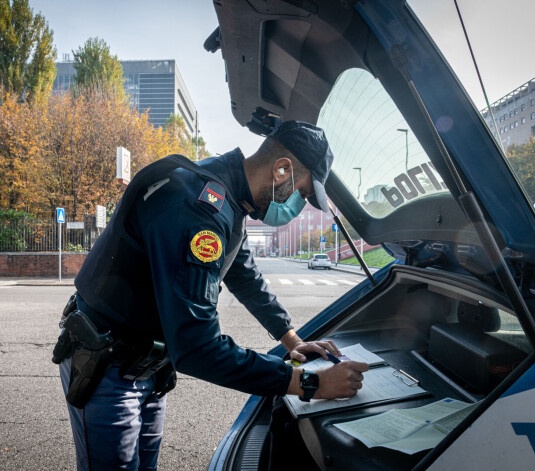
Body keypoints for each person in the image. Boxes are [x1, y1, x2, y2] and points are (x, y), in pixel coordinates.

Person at [57, 120, 370, 470]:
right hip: (108, 365)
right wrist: (308, 383)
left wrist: (291, 340)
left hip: (146, 363)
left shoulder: (230, 196)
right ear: (282, 170)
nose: (302, 204)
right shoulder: (199, 209)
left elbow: (244, 274)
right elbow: (197, 349)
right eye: (305, 192)